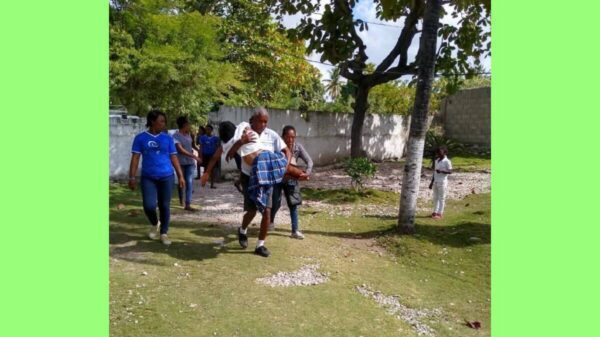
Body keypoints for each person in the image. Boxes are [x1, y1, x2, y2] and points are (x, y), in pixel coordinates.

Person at [224, 108, 293, 257]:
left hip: (267, 177)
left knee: (267, 210)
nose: (263, 124)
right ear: (253, 120)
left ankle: (260, 245)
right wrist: (239, 144)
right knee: (252, 210)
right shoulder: (245, 132)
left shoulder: (272, 135)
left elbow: (287, 151)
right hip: (249, 177)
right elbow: (229, 147)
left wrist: (283, 169)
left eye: (265, 122)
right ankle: (242, 230)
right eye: (260, 121)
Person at [128, 110, 185, 245]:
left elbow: (174, 157)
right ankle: (155, 223)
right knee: (148, 206)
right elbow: (135, 158)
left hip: (166, 176)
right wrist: (132, 177)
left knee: (164, 205)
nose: (164, 124)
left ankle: (164, 233)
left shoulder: (167, 138)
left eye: (164, 121)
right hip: (148, 177)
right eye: (161, 121)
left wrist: (180, 176)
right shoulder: (140, 138)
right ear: (152, 122)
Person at [270, 125, 313, 239]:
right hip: (278, 179)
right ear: (283, 137)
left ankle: (295, 230)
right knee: (276, 202)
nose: (290, 140)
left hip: (292, 180)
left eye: (293, 137)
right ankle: (270, 221)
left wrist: (307, 173)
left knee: (293, 204)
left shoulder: (298, 147)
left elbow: (309, 161)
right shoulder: (277, 147)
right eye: (287, 137)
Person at [173, 116, 202, 211]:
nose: (189, 125)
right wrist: (194, 156)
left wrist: (198, 150)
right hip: (180, 162)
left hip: (189, 163)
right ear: (184, 125)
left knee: (189, 182)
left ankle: (188, 204)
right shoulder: (176, 136)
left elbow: (192, 145)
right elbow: (180, 149)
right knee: (182, 181)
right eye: (188, 124)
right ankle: (181, 199)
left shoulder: (189, 135)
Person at [431, 147, 452, 219]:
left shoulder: (447, 161)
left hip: (442, 182)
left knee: (441, 198)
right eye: (437, 153)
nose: (438, 154)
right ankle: (435, 211)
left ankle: (440, 213)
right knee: (435, 197)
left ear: (444, 152)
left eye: (440, 152)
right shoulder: (437, 160)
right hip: (436, 181)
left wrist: (441, 171)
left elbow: (450, 171)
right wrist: (431, 182)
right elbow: (434, 172)